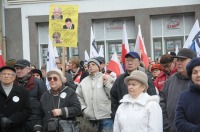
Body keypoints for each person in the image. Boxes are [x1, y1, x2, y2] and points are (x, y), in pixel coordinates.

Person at [110, 51, 157, 119]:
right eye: (127, 60)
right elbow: (114, 97)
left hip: (142, 116)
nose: (129, 63)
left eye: (132, 60)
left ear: (138, 63)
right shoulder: (120, 79)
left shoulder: (145, 77)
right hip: (123, 117)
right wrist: (115, 114)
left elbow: (152, 96)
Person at [159, 48, 196, 132]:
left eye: (182, 60)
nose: (178, 62)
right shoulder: (170, 80)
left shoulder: (196, 81)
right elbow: (162, 101)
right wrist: (166, 124)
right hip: (170, 128)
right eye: (177, 60)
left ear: (193, 61)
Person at [76, 58, 115, 132]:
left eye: (93, 64)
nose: (90, 66)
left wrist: (106, 84)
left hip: (106, 116)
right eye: (89, 65)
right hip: (90, 118)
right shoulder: (84, 81)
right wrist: (84, 108)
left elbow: (113, 95)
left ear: (98, 67)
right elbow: (78, 96)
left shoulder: (107, 77)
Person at [14, 59, 47, 132]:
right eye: (17, 68)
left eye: (21, 68)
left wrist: (39, 123)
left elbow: (44, 103)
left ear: (29, 69)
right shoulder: (12, 82)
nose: (19, 71)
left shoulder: (38, 83)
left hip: (33, 121)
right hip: (16, 121)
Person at [0, 66, 31, 132]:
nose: (6, 76)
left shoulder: (22, 91)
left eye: (9, 74)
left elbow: (27, 110)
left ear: (14, 77)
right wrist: (1, 119)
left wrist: (12, 120)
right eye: (3, 74)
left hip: (17, 127)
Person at [174, 57, 200, 132]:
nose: (198, 75)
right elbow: (179, 121)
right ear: (191, 76)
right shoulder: (184, 96)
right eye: (195, 72)